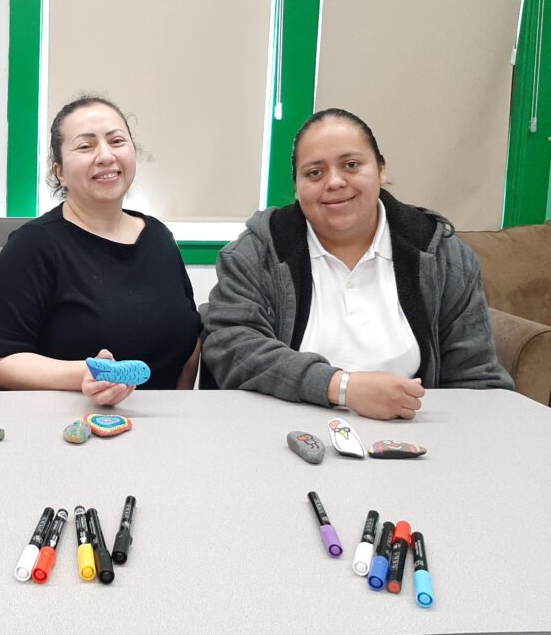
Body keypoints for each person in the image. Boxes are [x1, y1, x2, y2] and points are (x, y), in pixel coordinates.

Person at [202, 107, 512, 419]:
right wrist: (341, 386)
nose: (335, 182)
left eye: (351, 165)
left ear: (381, 170)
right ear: (297, 187)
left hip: (410, 437)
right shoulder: (255, 254)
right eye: (314, 173)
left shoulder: (444, 256)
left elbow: (475, 380)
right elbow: (232, 348)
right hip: (284, 433)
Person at [0, 96, 201, 405]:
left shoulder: (159, 237)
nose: (106, 155)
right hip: (73, 430)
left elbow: (190, 339)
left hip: (162, 429)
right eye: (85, 146)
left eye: (117, 140)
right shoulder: (32, 246)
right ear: (59, 171)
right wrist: (85, 374)